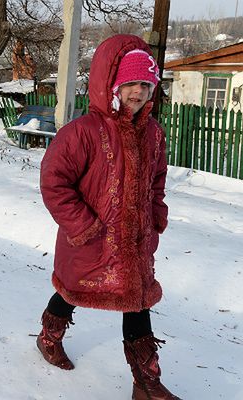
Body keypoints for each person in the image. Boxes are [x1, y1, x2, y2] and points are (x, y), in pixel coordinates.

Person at [37, 34, 181, 400]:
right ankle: (49, 336)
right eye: (130, 83)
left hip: (135, 243)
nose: (138, 92)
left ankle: (145, 382)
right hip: (90, 240)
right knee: (72, 291)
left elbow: (157, 180)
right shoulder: (83, 132)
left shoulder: (154, 134)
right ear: (112, 84)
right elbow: (55, 182)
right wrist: (83, 226)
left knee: (137, 301)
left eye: (146, 84)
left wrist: (156, 216)